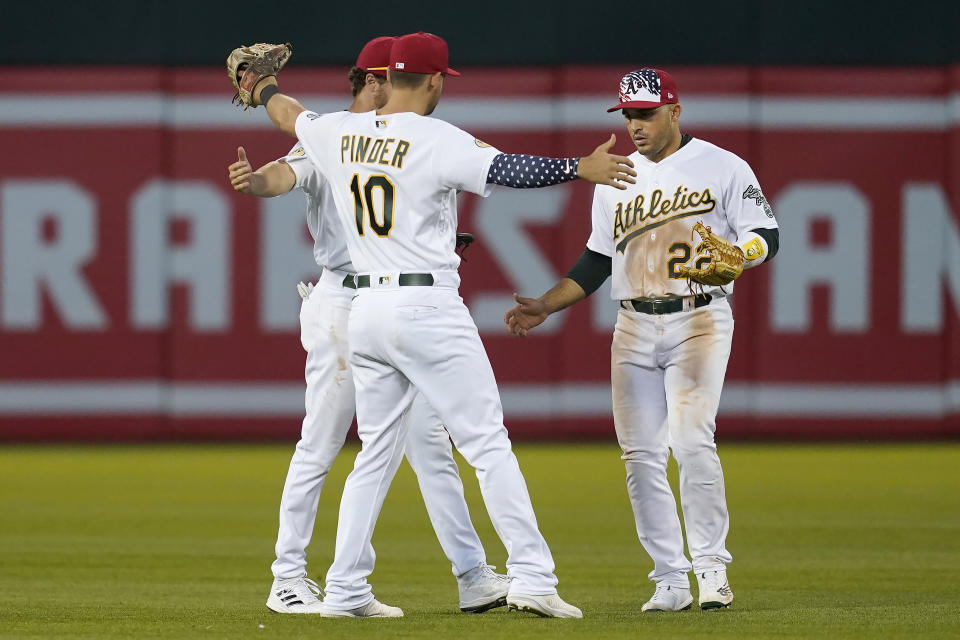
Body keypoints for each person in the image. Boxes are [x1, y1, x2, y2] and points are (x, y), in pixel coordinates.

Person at [234, 31, 637, 618]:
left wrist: (261, 85)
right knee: (486, 443)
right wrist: (581, 167)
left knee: (376, 454)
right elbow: (510, 168)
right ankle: (531, 576)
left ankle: (346, 589)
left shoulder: (336, 133)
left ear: (386, 78)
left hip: (366, 312)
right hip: (426, 308)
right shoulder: (437, 138)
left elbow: (288, 114)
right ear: (433, 80)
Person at [228, 36, 509, 616]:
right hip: (341, 301)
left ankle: (473, 575)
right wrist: (254, 182)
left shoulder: (410, 141)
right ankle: (287, 575)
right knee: (323, 440)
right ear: (372, 81)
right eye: (388, 76)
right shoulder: (332, 134)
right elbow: (282, 176)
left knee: (431, 444)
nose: (401, 86)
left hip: (393, 305)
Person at [504, 68, 780, 613]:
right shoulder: (616, 178)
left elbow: (765, 233)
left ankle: (711, 569)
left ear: (675, 112)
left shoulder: (723, 166)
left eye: (646, 113)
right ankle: (670, 578)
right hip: (632, 323)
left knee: (692, 440)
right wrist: (546, 304)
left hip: (698, 317)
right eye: (628, 114)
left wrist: (741, 256)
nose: (635, 124)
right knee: (640, 455)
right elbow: (598, 261)